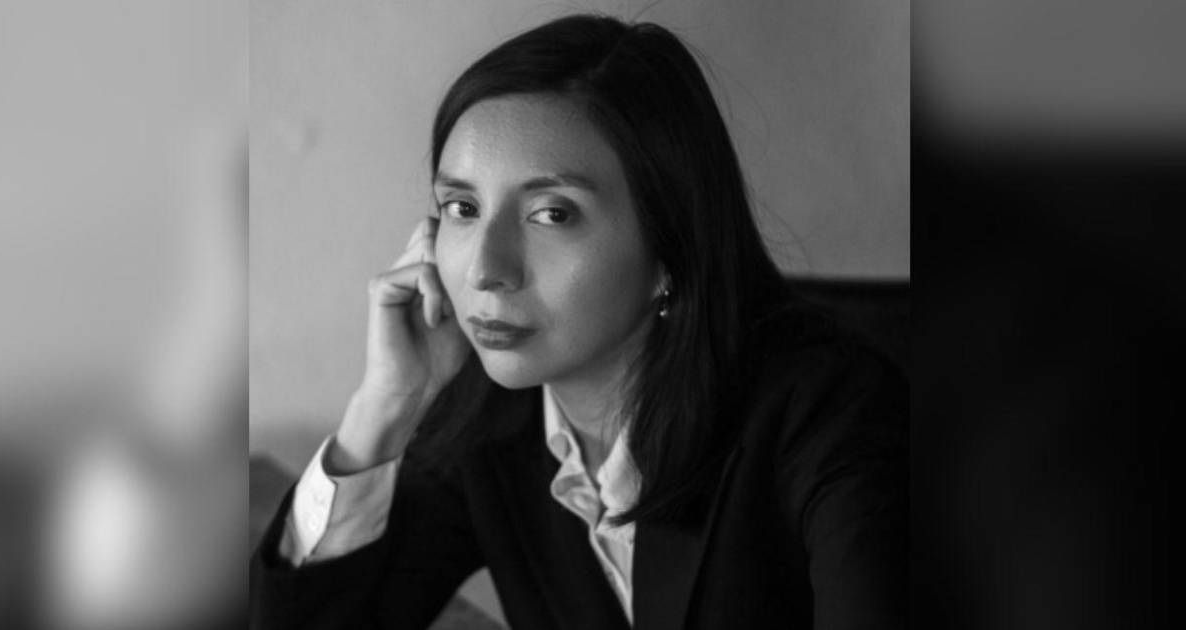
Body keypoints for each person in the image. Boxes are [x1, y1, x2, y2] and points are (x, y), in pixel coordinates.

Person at [251, 14, 906, 630]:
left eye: (552, 214)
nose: (485, 269)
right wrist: (386, 407)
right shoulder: (487, 420)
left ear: (670, 248)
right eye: (461, 208)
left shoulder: (829, 411)